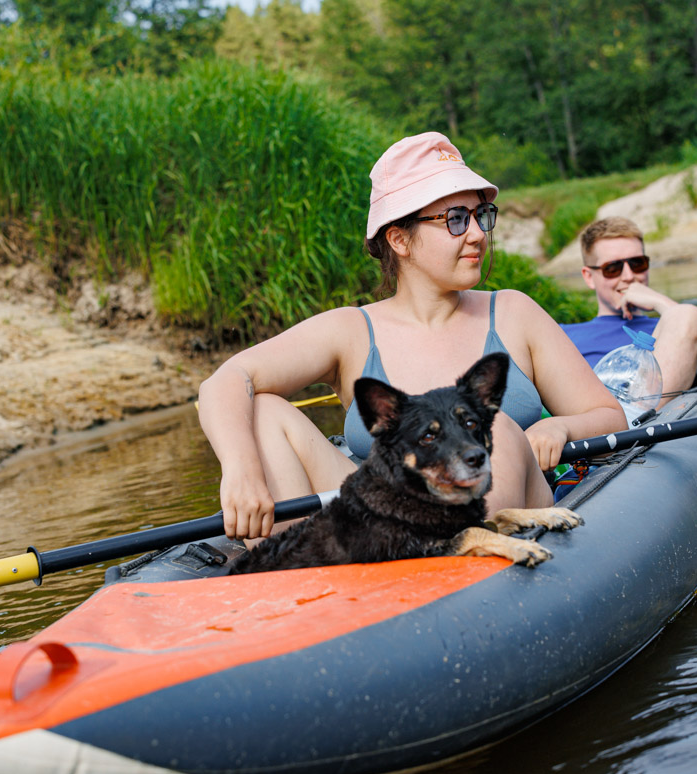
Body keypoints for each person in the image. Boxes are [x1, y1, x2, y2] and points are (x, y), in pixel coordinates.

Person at [197, 132, 626, 543]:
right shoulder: (348, 331)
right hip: (384, 523)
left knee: (495, 429)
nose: (477, 233)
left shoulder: (514, 312)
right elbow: (226, 381)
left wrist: (560, 426)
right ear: (399, 239)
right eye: (456, 220)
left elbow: (609, 416)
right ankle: (306, 587)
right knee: (264, 412)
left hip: (496, 524)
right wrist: (242, 470)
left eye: (480, 216)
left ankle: (473, 567)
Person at [562, 217, 697, 406]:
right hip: (592, 418)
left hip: (651, 423)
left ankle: (634, 418)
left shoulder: (677, 329)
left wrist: (659, 301)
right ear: (589, 277)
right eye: (613, 268)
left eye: (637, 264)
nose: (629, 276)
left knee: (687, 314)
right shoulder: (563, 333)